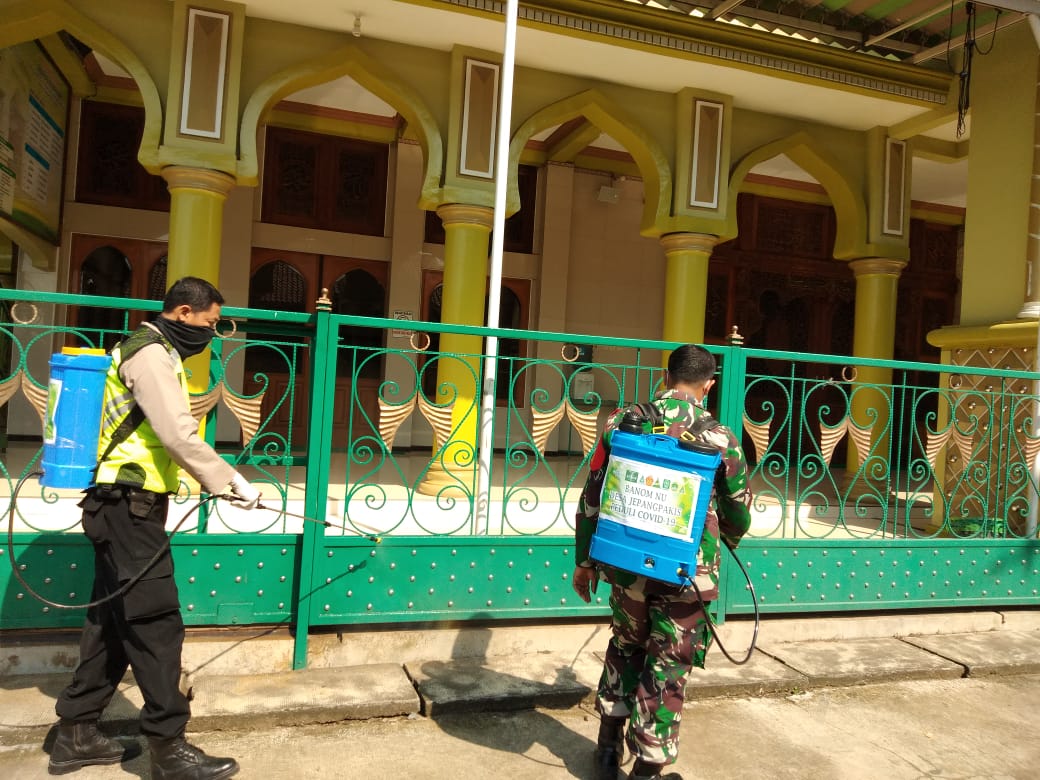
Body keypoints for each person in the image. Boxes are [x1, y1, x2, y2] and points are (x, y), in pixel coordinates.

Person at [48, 277, 260, 779]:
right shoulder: (151, 354)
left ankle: (76, 733)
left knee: (113, 625)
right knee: (156, 625)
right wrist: (229, 481)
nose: (212, 333)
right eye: (210, 324)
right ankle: (169, 749)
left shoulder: (147, 349)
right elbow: (176, 433)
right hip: (129, 508)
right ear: (184, 313)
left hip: (122, 505)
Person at [572, 344, 752, 780]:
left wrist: (585, 561)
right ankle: (648, 768)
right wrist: (722, 537)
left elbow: (594, 493)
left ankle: (608, 751)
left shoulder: (622, 423)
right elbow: (739, 512)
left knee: (625, 646)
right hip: (685, 574)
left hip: (627, 566)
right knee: (668, 664)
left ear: (664, 376)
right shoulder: (721, 439)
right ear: (709, 385)